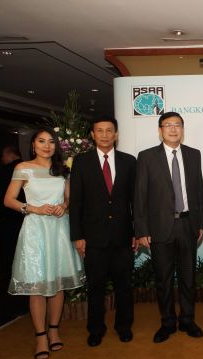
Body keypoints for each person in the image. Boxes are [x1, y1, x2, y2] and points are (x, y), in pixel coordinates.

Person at [4, 128, 84, 359]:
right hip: (35, 231)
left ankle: (54, 330)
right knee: (38, 285)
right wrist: (33, 208)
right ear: (33, 145)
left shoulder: (62, 170)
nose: (47, 146)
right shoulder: (23, 168)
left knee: (57, 283)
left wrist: (63, 206)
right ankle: (40, 336)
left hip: (59, 229)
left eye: (51, 142)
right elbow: (8, 200)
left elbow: (69, 198)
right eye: (41, 141)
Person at [135, 111, 203, 343]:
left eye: (178, 125)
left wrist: (201, 223)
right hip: (159, 227)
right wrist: (142, 230)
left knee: (188, 278)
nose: (173, 129)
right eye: (168, 125)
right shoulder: (147, 157)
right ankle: (167, 322)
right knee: (163, 279)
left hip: (187, 224)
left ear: (182, 129)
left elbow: (198, 192)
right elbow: (140, 195)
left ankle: (187, 319)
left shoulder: (194, 155)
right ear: (160, 130)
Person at [69, 116, 137, 347]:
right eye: (100, 130)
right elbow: (76, 202)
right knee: (96, 287)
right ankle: (95, 329)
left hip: (123, 236)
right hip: (93, 238)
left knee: (124, 287)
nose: (105, 135)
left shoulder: (129, 161)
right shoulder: (81, 162)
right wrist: (77, 235)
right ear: (92, 134)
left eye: (109, 130)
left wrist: (137, 231)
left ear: (116, 134)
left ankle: (124, 327)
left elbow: (135, 200)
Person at [0, 146, 24, 277]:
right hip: (28, 214)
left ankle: (11, 274)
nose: (2, 159)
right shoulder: (30, 167)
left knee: (10, 247)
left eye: (3, 156)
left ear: (10, 154)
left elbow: (1, 195)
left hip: (9, 215)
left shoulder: (5, 170)